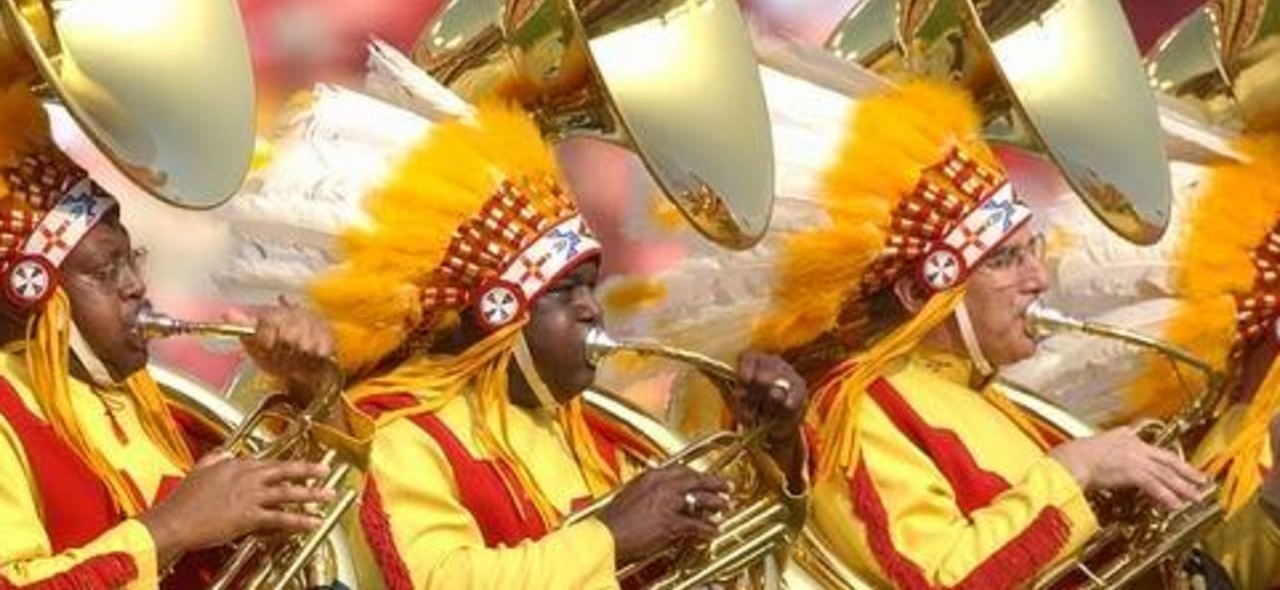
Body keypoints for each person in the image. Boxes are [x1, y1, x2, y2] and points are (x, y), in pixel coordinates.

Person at [603, 78, 1280, 588]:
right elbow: (937, 577)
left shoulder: (994, 403)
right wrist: (1077, 472)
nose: (1038, 282)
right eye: (1007, 261)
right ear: (924, 290)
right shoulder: (858, 407)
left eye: (1033, 254)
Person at [217, 50, 809, 590]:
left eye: (592, 287)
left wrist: (773, 449)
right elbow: (436, 580)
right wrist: (613, 535)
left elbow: (738, 555)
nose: (590, 308)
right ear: (500, 313)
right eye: (565, 292)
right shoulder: (399, 432)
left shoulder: (594, 432)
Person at [0, 84, 342, 588]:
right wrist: (170, 529)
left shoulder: (157, 405)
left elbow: (315, 521)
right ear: (34, 292)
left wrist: (311, 390)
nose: (135, 283)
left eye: (131, 257)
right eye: (105, 270)